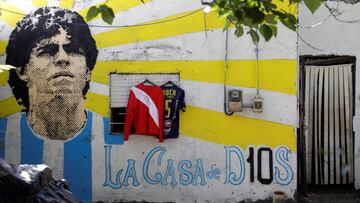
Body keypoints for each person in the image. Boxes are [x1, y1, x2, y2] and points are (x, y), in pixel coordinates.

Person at [1, 7, 122, 202]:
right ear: (23, 70)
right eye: (47, 51)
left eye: (73, 50)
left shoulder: (109, 131)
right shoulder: (5, 131)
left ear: (88, 69)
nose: (62, 59)